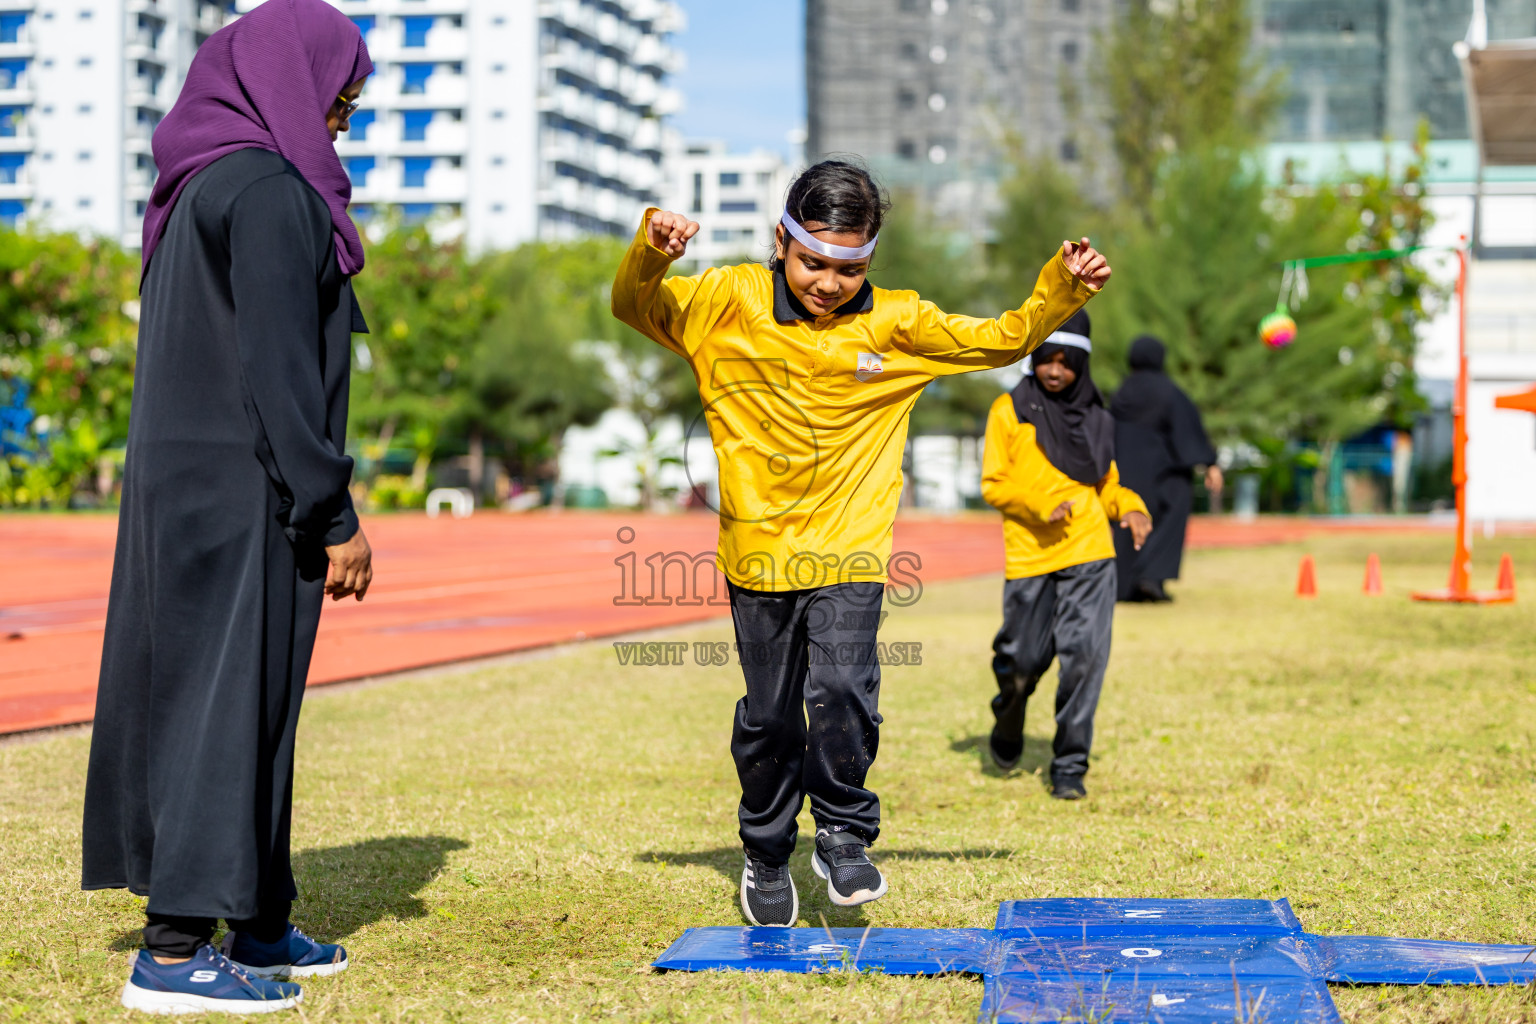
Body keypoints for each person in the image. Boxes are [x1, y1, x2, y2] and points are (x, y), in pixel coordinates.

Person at [611, 160, 1110, 926]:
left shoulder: (900, 323)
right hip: (758, 554)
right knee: (771, 719)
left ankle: (843, 834)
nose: (828, 282)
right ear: (781, 241)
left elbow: (1001, 339)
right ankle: (766, 852)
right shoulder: (723, 300)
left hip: (851, 550)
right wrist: (652, 250)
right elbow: (633, 307)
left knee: (845, 691)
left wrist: (1062, 287)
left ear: (869, 260)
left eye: (849, 268)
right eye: (813, 261)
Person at [81, 0, 375, 1013]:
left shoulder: (196, 182)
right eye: (339, 93)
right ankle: (171, 952)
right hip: (249, 486)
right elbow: (279, 370)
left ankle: (255, 914)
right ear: (291, 78)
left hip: (191, 483)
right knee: (223, 704)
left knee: (242, 702)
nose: (344, 114)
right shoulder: (268, 192)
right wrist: (332, 509)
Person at [980, 311, 1151, 800]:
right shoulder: (1008, 411)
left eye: (1066, 362)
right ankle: (1008, 721)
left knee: (1084, 660)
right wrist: (1038, 507)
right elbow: (994, 482)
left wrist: (1130, 508)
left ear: (1082, 363)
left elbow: (1107, 484)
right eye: (1046, 360)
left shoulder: (1098, 417)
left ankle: (1070, 764)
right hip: (1031, 557)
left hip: (1091, 555)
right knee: (1020, 663)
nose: (1055, 371)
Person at [1110, 334, 1221, 603]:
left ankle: (1123, 587)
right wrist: (1209, 463)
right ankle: (1151, 578)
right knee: (1171, 518)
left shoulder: (1120, 393)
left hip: (1124, 475)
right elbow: (1187, 431)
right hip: (1163, 475)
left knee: (1126, 528)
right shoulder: (1168, 391)